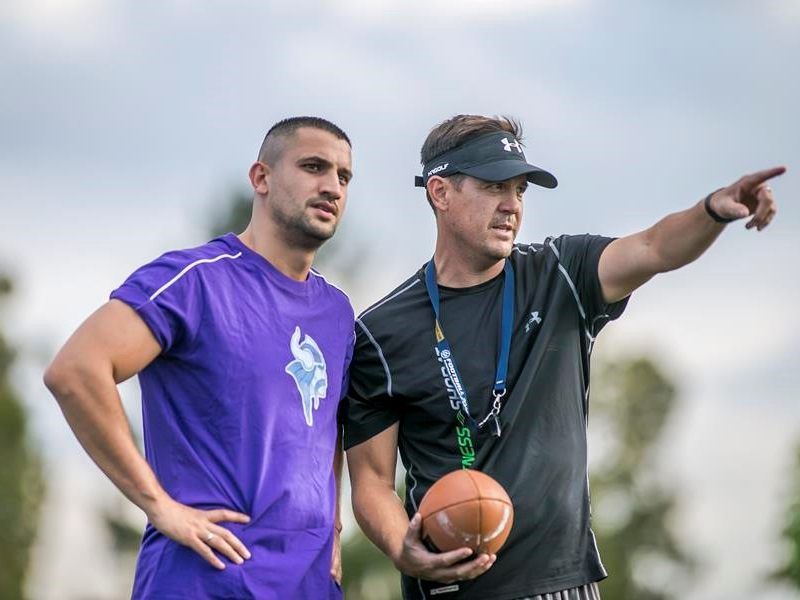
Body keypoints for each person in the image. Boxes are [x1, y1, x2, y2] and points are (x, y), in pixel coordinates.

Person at [342, 114, 783, 599]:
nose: (511, 205)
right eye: (494, 187)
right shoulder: (380, 331)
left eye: (520, 191)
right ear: (440, 193)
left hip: (563, 582)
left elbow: (655, 247)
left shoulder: (561, 273)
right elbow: (372, 479)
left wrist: (713, 210)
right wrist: (401, 548)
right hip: (451, 588)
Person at [44, 116, 356, 599]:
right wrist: (158, 505)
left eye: (343, 176)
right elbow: (76, 371)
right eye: (314, 167)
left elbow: (326, 426)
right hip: (207, 576)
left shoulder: (337, 312)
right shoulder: (195, 280)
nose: (331, 186)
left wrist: (332, 527)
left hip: (309, 585)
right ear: (262, 178)